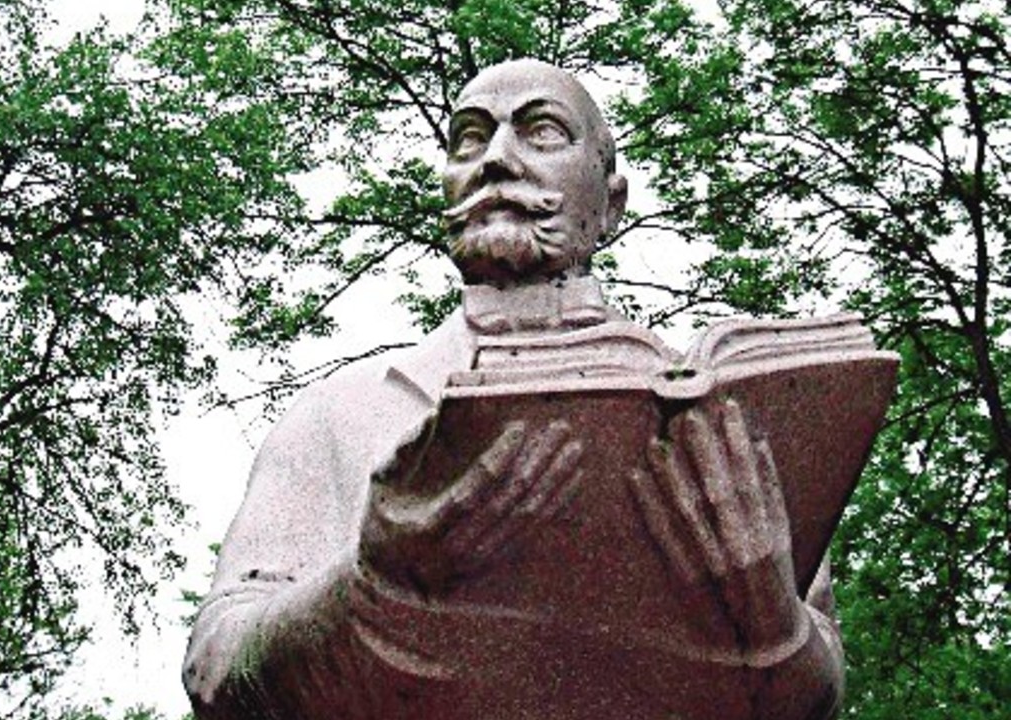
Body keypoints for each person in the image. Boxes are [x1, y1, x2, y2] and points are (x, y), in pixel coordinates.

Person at [183, 58, 845, 720]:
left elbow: (817, 697)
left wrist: (770, 627)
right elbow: (215, 665)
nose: (496, 159)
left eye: (543, 132)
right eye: (469, 138)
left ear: (611, 204)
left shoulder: (719, 418)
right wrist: (375, 585)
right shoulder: (340, 413)